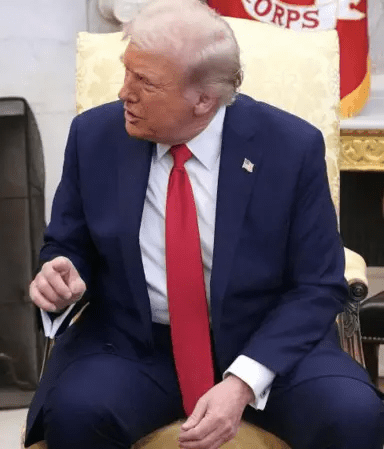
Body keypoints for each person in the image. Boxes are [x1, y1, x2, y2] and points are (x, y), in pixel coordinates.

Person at [24, 1, 384, 448]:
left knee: (353, 415)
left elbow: (318, 284)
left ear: (203, 100)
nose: (123, 93)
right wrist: (61, 275)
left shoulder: (290, 148)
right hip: (136, 346)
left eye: (145, 82)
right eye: (126, 72)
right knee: (76, 412)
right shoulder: (94, 136)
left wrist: (244, 380)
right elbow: (68, 244)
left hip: (266, 342)